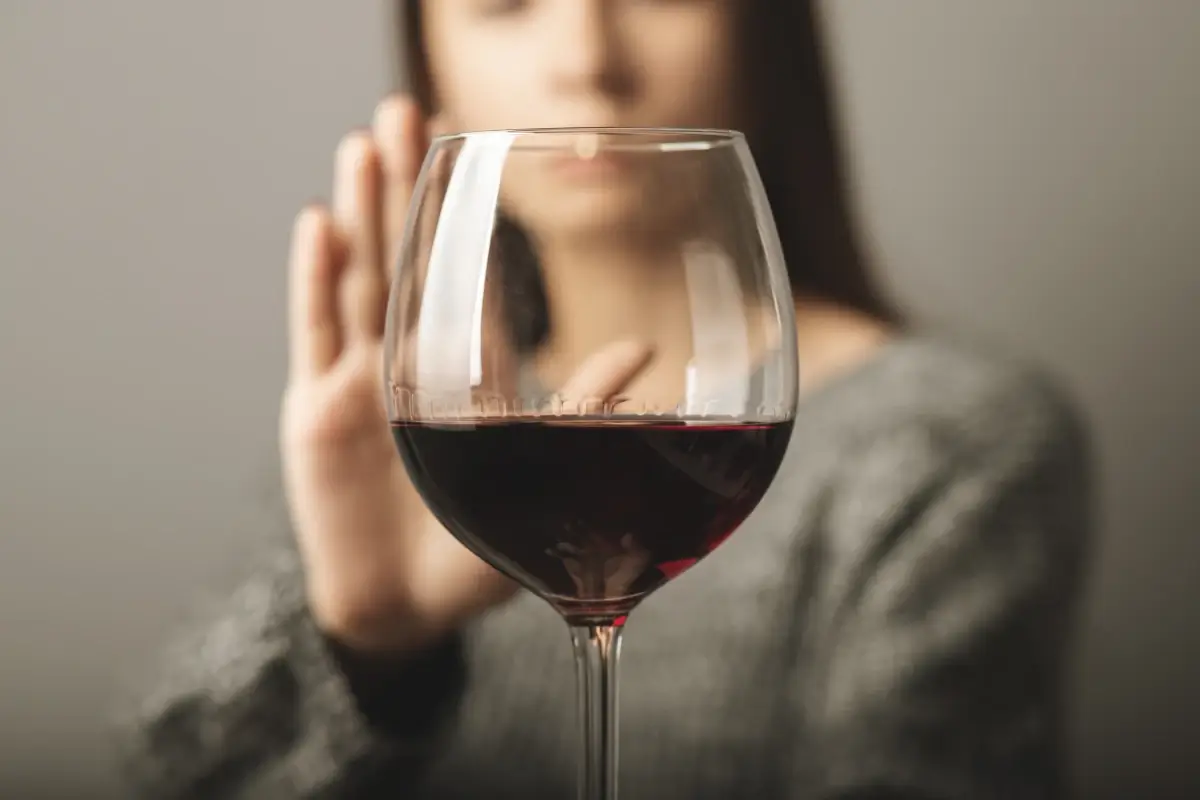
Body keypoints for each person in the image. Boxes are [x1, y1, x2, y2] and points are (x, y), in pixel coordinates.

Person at [115, 1, 1093, 797]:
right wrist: (366, 643)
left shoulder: (946, 443)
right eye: (507, 4)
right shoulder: (392, 435)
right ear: (432, 64)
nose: (588, 57)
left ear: (767, 28)